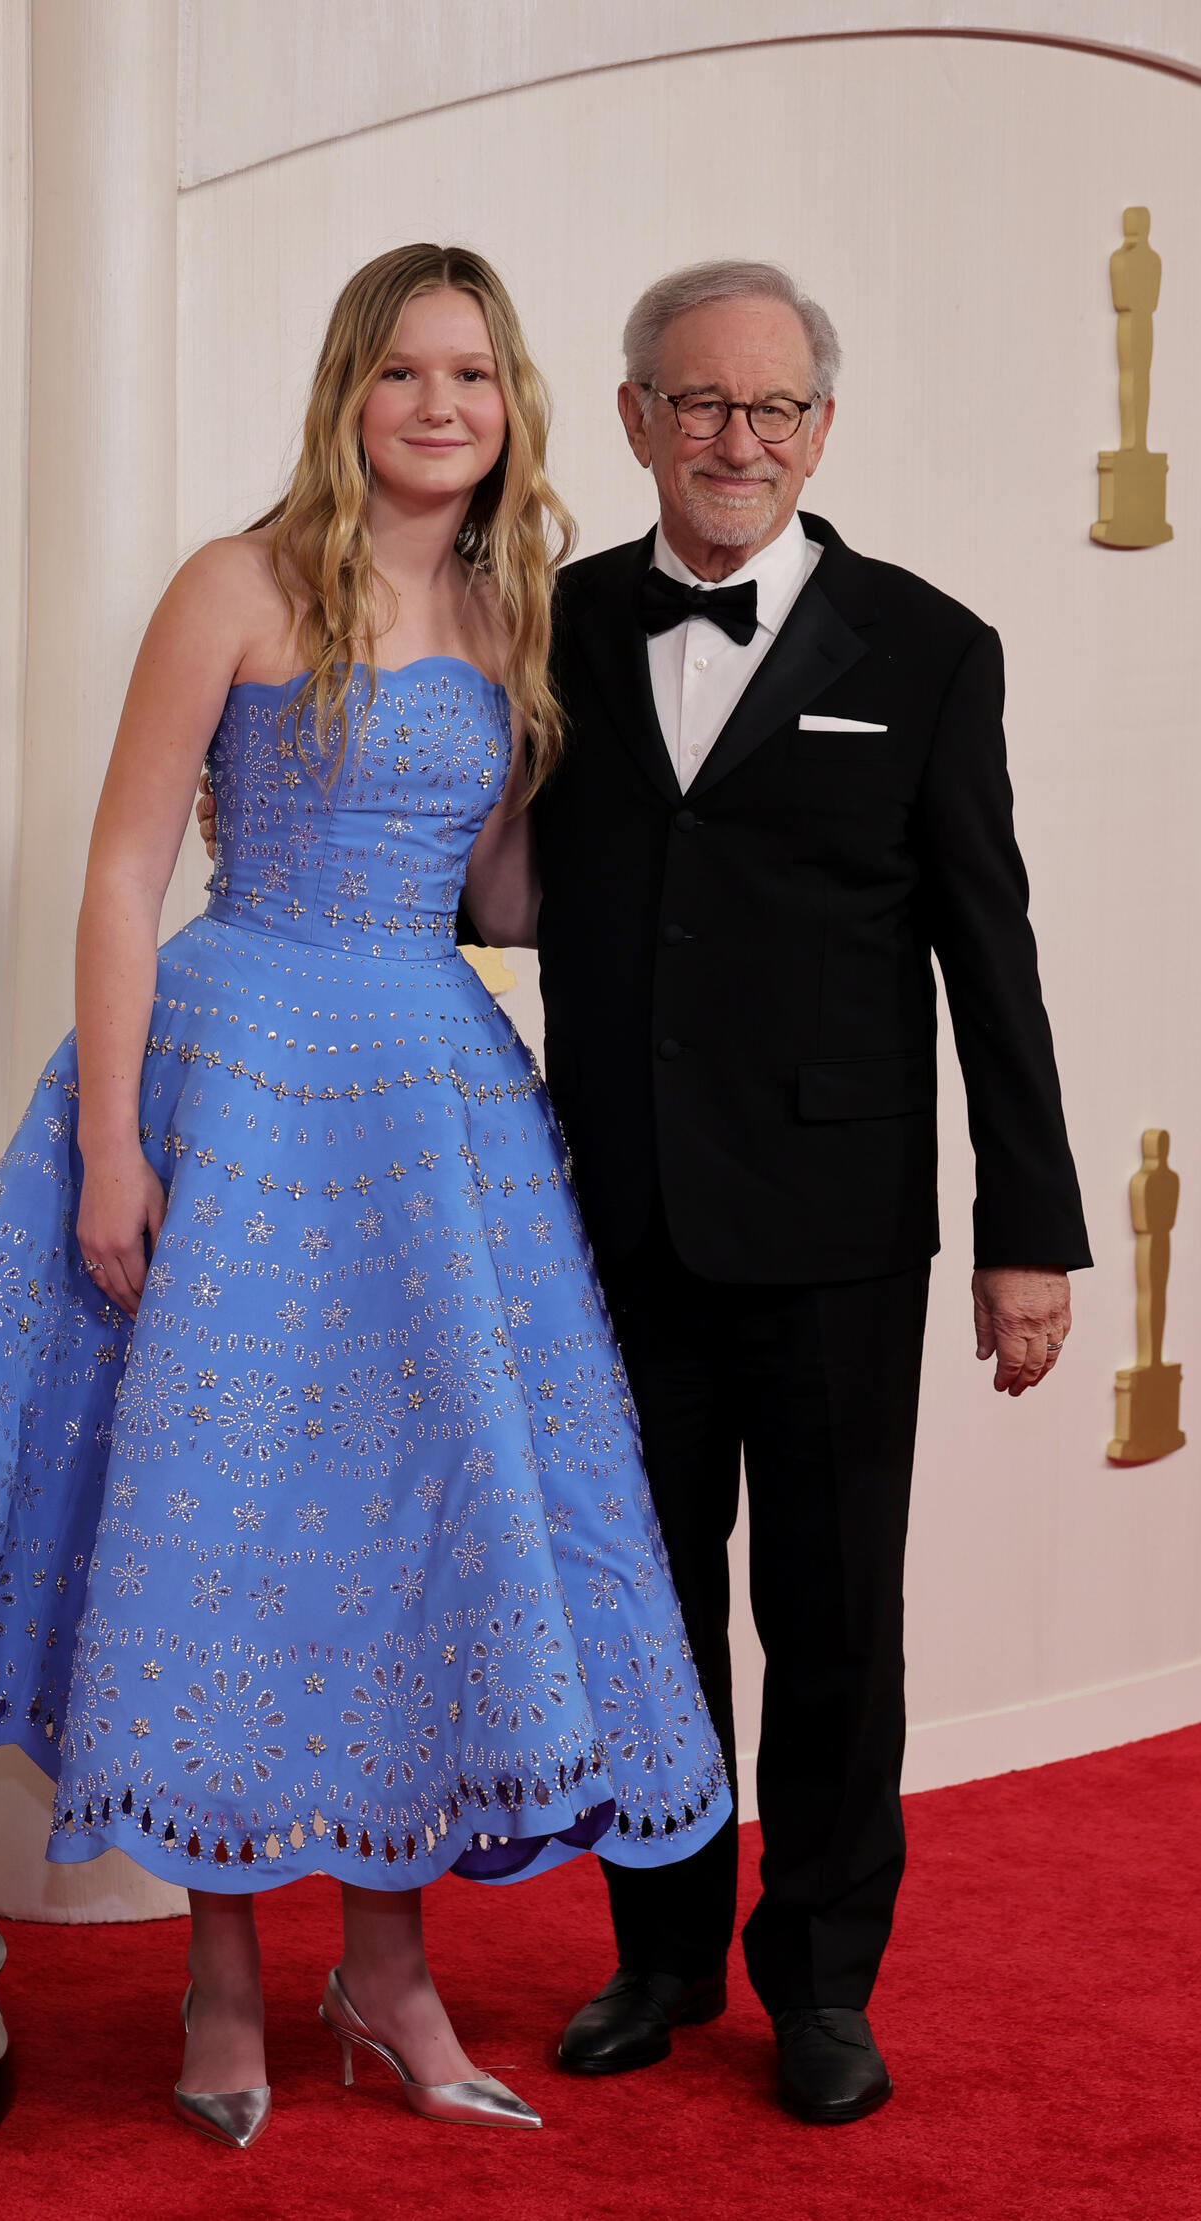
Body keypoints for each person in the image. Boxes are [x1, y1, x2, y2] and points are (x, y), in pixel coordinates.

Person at [0, 244, 732, 2150]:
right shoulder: (233, 584)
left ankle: (384, 1980)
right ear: (348, 390)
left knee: (413, 1543)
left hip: (432, 1106)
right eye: (408, 370)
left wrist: (727, 903)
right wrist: (120, 1143)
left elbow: (498, 899)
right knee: (219, 1532)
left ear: (514, 404)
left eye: (476, 373)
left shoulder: (509, 610)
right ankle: (224, 1981)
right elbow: (121, 871)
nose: (445, 405)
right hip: (229, 1087)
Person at [533, 261, 1091, 2123]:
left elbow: (988, 953)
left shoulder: (930, 647)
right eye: (698, 403)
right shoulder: (555, 626)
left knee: (839, 1620)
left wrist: (1032, 1227)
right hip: (611, 1214)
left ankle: (825, 1974)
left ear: (823, 432)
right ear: (633, 420)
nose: (736, 440)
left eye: (774, 409)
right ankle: (665, 1950)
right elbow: (492, 873)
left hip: (845, 1227)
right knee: (648, 1608)